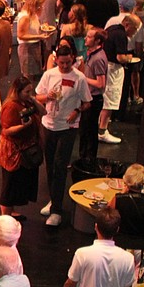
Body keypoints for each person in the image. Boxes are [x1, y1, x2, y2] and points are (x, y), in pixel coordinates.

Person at [36, 45, 92, 226]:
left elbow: (87, 103)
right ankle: (54, 199)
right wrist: (47, 97)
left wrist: (77, 110)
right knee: (50, 166)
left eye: (68, 62)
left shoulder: (80, 78)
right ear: (56, 60)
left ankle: (57, 210)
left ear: (73, 59)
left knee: (60, 166)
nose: (65, 66)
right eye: (62, 63)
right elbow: (38, 97)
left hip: (67, 127)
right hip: (48, 124)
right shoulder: (49, 75)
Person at [0, 76, 43, 219]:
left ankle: (11, 211)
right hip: (12, 152)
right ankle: (5, 216)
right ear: (17, 91)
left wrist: (34, 100)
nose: (29, 94)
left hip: (25, 149)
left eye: (31, 91)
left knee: (17, 184)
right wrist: (23, 126)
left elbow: (44, 112)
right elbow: (6, 130)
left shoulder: (27, 102)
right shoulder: (11, 106)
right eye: (27, 92)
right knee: (9, 185)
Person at [98, 13, 140, 145]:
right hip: (113, 69)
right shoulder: (121, 35)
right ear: (127, 24)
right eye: (135, 29)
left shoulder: (111, 28)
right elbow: (120, 57)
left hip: (105, 66)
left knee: (104, 98)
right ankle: (102, 131)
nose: (134, 33)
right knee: (110, 100)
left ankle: (99, 127)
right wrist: (128, 57)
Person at [78, 30, 109, 161]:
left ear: (97, 41)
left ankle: (88, 161)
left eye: (89, 37)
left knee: (90, 131)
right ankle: (83, 158)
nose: (86, 38)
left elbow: (101, 84)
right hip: (88, 97)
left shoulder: (98, 58)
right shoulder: (92, 54)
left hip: (94, 99)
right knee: (85, 131)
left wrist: (83, 78)